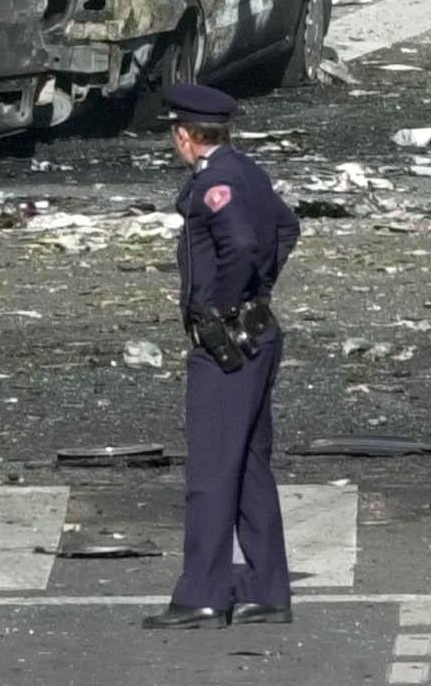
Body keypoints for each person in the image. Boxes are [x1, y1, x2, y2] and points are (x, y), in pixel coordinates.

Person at [145, 84, 301, 631]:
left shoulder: (215, 183)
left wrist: (221, 308)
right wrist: (261, 291)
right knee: (250, 465)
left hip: (227, 345)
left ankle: (204, 593)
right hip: (258, 334)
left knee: (211, 470)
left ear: (185, 135)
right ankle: (267, 588)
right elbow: (286, 227)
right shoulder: (248, 170)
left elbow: (238, 244)